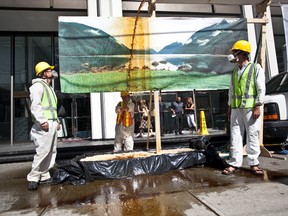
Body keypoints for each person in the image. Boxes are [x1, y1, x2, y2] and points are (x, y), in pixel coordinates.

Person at [222, 40, 266, 175]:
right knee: (235, 135)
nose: (233, 54)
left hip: (250, 108)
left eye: (235, 52)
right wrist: (230, 106)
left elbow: (260, 87)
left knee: (252, 134)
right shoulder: (235, 71)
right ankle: (234, 163)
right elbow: (231, 90)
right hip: (236, 108)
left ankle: (254, 163)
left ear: (242, 53)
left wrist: (258, 105)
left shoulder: (255, 68)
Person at [27, 61, 61, 190]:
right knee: (43, 151)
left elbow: (52, 108)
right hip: (44, 124)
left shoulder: (49, 87)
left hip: (51, 122)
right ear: (42, 73)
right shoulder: (38, 86)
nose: (51, 72)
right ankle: (33, 177)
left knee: (51, 150)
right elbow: (35, 106)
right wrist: (42, 121)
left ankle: (45, 175)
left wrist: (56, 120)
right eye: (48, 70)